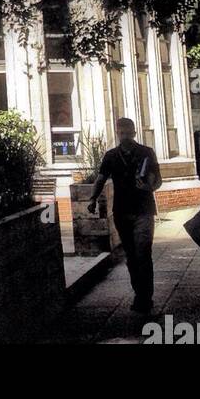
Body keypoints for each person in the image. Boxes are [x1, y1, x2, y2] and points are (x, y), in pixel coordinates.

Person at [87, 117, 162, 314]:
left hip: (144, 210)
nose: (125, 137)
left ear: (134, 133)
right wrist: (92, 198)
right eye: (122, 133)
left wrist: (149, 186)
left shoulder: (147, 153)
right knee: (131, 255)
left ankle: (145, 297)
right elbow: (101, 178)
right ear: (117, 133)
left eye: (128, 133)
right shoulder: (111, 156)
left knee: (143, 253)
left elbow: (158, 179)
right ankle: (140, 293)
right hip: (121, 211)